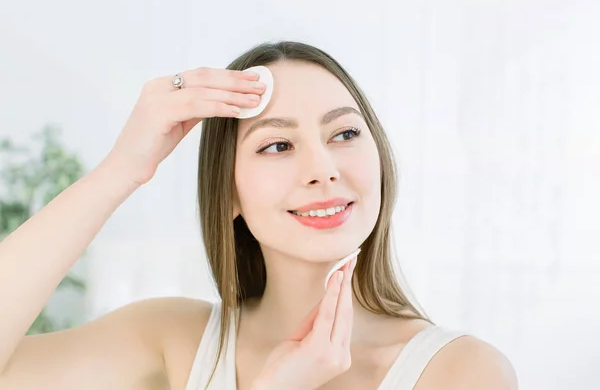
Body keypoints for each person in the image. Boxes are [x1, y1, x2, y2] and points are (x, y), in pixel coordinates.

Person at [0, 41, 518, 390]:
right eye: (277, 145)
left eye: (344, 133)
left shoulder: (460, 371)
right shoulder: (170, 339)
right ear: (228, 195)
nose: (323, 169)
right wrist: (122, 170)